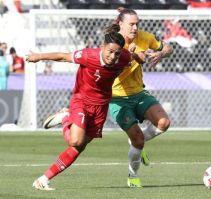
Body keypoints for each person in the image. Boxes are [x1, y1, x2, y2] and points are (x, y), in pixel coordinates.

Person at [43, 8, 173, 188]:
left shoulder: (146, 37)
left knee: (164, 123)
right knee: (134, 141)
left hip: (138, 92)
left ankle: (137, 139)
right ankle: (133, 176)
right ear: (121, 24)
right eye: (131, 24)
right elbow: (109, 65)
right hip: (117, 98)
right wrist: (132, 55)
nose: (135, 28)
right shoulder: (114, 44)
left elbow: (167, 47)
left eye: (137, 24)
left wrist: (161, 53)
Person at [26, 32, 131, 191]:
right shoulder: (88, 55)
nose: (113, 56)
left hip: (101, 106)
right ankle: (65, 118)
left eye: (117, 53)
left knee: (79, 147)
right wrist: (39, 56)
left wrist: (142, 56)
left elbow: (133, 57)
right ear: (102, 47)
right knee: (75, 141)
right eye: (110, 51)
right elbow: (62, 56)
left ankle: (43, 180)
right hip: (81, 100)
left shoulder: (124, 57)